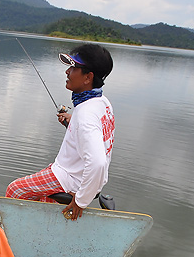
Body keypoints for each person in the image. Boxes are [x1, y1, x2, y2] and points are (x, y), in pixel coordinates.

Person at [6, 43, 115, 221]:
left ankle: (18, 236)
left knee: (15, 190)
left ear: (88, 77)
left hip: (72, 178)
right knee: (41, 196)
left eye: (73, 68)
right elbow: (96, 132)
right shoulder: (102, 102)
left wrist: (81, 201)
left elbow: (98, 163)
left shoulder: (85, 115)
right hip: (85, 178)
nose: (67, 72)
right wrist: (73, 124)